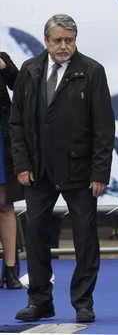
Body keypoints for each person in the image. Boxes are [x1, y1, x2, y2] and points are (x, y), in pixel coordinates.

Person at [10, 14, 115, 322]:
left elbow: (104, 127)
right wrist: (22, 164)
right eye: (57, 40)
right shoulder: (29, 71)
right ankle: (40, 301)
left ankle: (83, 302)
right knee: (35, 236)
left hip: (80, 173)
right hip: (38, 172)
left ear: (75, 40)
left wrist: (100, 173)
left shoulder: (93, 71)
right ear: (46, 41)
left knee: (85, 239)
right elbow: (17, 124)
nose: (63, 46)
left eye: (69, 39)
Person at [0, 51, 24, 289]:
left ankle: (10, 270)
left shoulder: (2, 58)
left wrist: (4, 66)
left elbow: (21, 85)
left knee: (5, 204)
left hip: (1, 139)